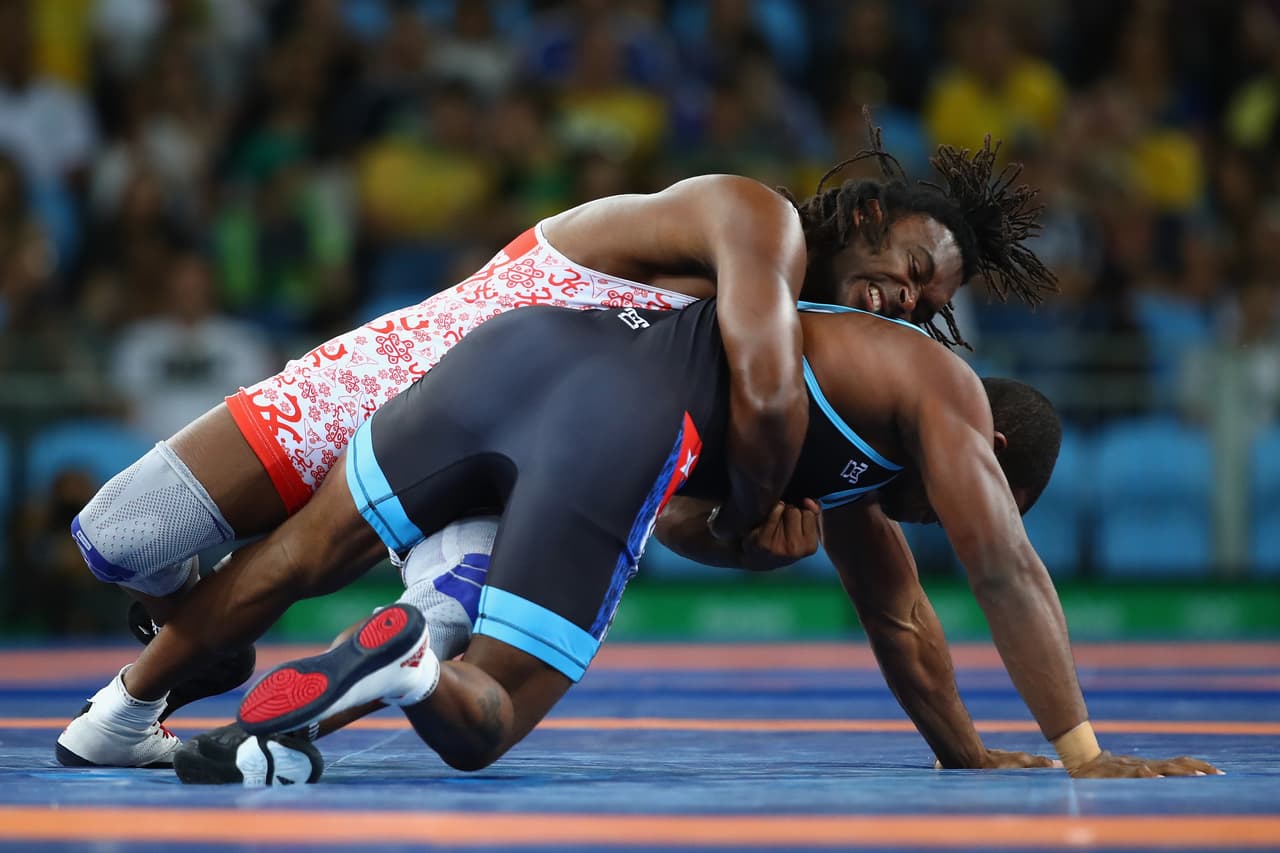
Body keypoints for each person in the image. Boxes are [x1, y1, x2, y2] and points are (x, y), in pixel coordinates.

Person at [58, 128, 1055, 766]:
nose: (903, 303)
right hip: (413, 373)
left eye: (925, 305)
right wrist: (751, 515)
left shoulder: (817, 363)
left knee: (437, 625)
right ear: (868, 215)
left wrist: (738, 537)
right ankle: (208, 638)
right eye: (909, 270)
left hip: (510, 453)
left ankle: (240, 722)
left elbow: (663, 507)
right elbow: (759, 401)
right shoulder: (759, 227)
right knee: (121, 539)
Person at [79, 295, 1217, 784]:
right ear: (995, 457)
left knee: (293, 557)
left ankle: (134, 719)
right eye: (998, 495)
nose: (965, 516)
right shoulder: (947, 393)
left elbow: (899, 615)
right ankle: (416, 661)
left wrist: (964, 753)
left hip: (518, 353)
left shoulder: (862, 450)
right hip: (621, 417)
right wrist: (1080, 751)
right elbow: (1001, 565)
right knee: (487, 717)